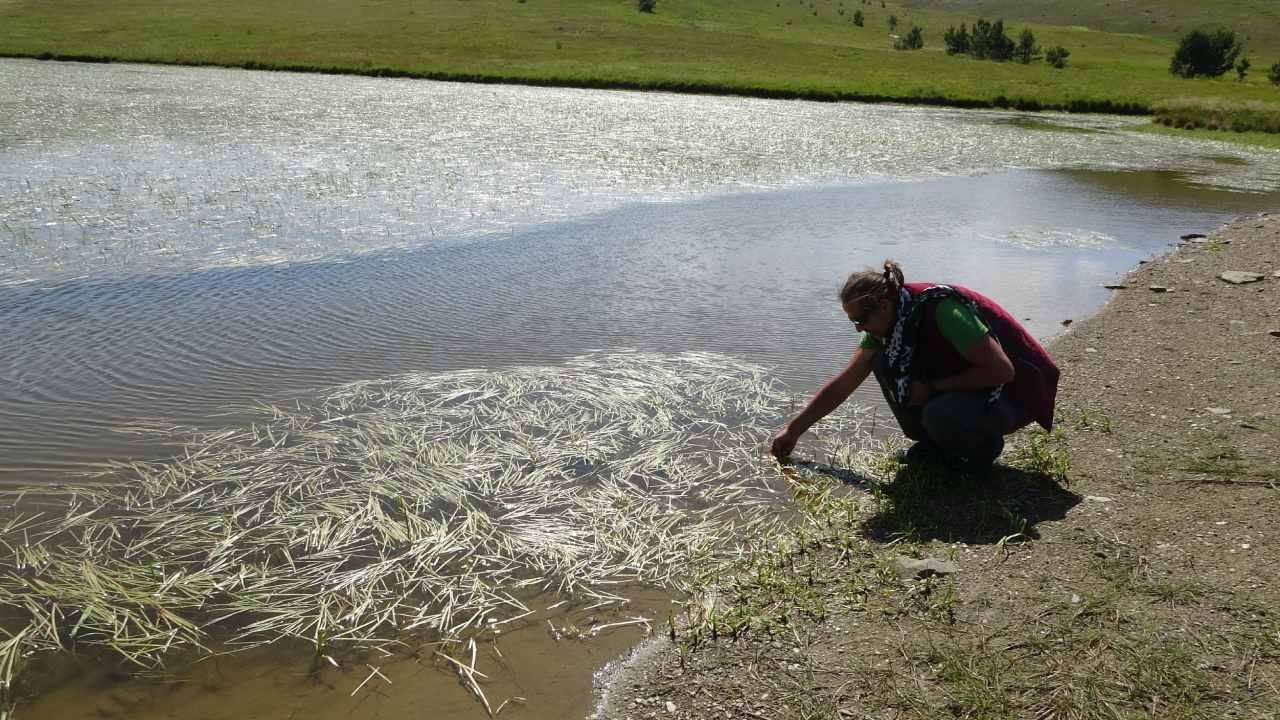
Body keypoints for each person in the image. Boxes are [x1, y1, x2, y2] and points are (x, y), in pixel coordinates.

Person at [770, 260, 1059, 468]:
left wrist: (932, 387)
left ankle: (982, 450)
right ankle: (935, 445)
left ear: (883, 305)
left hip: (1013, 397)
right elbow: (844, 384)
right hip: (969, 389)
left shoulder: (941, 309)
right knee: (882, 362)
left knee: (938, 413)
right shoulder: (889, 326)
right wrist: (793, 430)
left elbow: (1002, 371)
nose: (858, 329)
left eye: (860, 320)